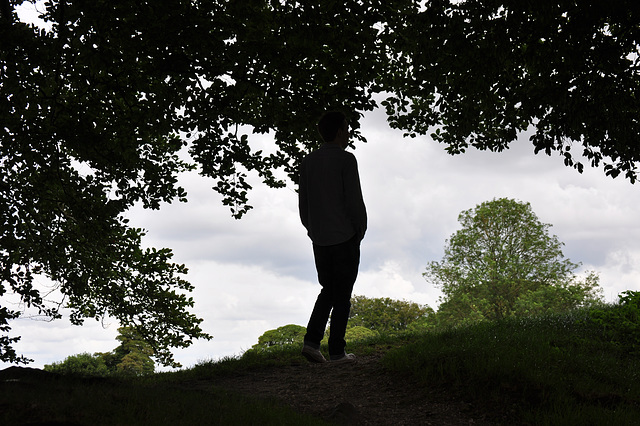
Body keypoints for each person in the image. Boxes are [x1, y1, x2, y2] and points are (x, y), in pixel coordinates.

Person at [298, 111, 367, 365]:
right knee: (342, 294)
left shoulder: (307, 162)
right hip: (344, 236)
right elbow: (354, 201)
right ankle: (337, 351)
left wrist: (312, 230)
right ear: (339, 131)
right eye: (346, 129)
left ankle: (312, 343)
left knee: (328, 289)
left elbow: (303, 204)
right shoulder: (346, 160)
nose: (348, 133)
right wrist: (359, 230)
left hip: (320, 237)